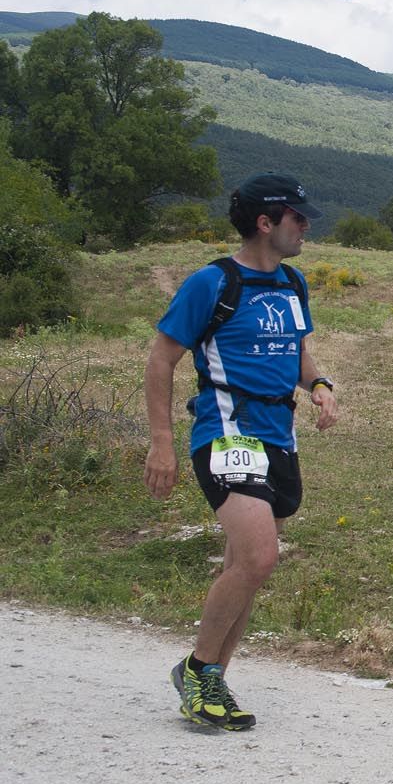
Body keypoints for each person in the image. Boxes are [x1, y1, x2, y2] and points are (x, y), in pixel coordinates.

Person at [145, 173, 340, 730]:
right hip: (226, 431)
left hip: (280, 435)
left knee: (245, 567)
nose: (306, 227)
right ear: (265, 221)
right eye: (298, 218)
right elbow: (161, 360)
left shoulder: (292, 283)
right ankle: (199, 670)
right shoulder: (211, 283)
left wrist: (319, 386)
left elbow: (298, 350)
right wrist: (162, 444)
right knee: (259, 557)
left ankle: (213, 681)